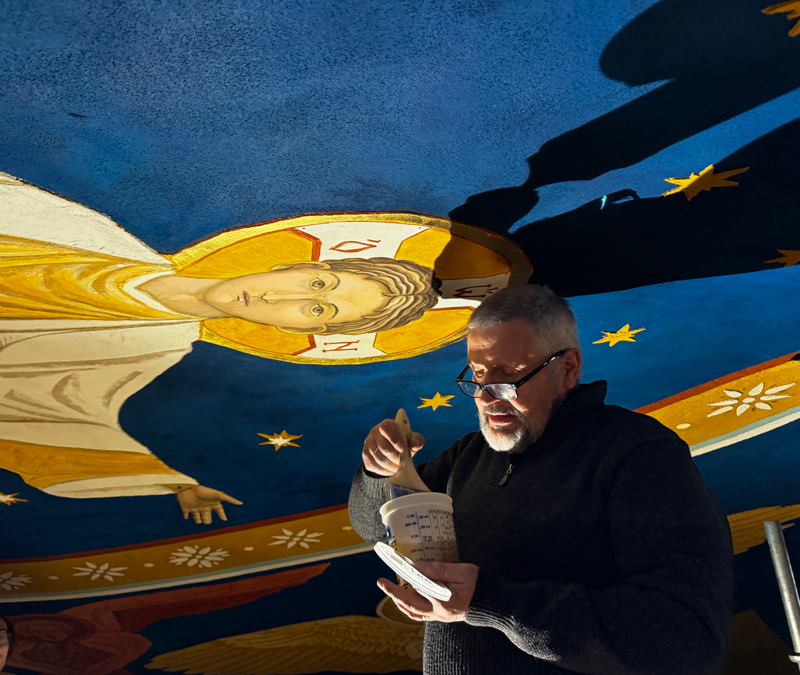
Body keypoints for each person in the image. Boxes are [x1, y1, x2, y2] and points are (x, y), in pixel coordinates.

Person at [0, 172, 439, 523]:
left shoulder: (148, 351)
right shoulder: (87, 237)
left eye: (318, 309)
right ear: (298, 263)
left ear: (298, 334)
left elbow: (47, 424)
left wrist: (175, 484)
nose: (280, 299)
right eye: (316, 283)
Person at [349, 284, 734, 674]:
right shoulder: (471, 455)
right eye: (478, 375)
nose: (486, 396)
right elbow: (375, 526)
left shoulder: (636, 451)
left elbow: (685, 638)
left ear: (568, 368)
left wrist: (492, 602)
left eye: (509, 375)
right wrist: (379, 473)